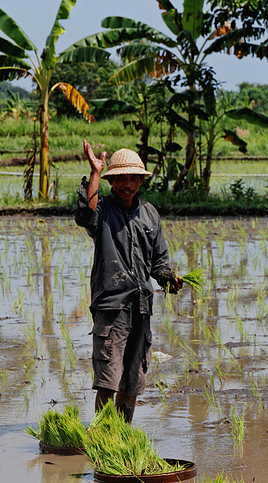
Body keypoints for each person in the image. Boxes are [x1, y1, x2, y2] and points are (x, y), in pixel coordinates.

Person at [76, 140, 182, 423]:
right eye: (121, 178)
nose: (127, 183)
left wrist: (167, 278)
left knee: (133, 377)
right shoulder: (104, 210)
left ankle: (122, 434)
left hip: (141, 305)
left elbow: (159, 260)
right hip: (112, 305)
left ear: (140, 181)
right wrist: (95, 172)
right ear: (111, 181)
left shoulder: (150, 214)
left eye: (133, 178)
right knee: (109, 377)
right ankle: (104, 434)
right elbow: (86, 215)